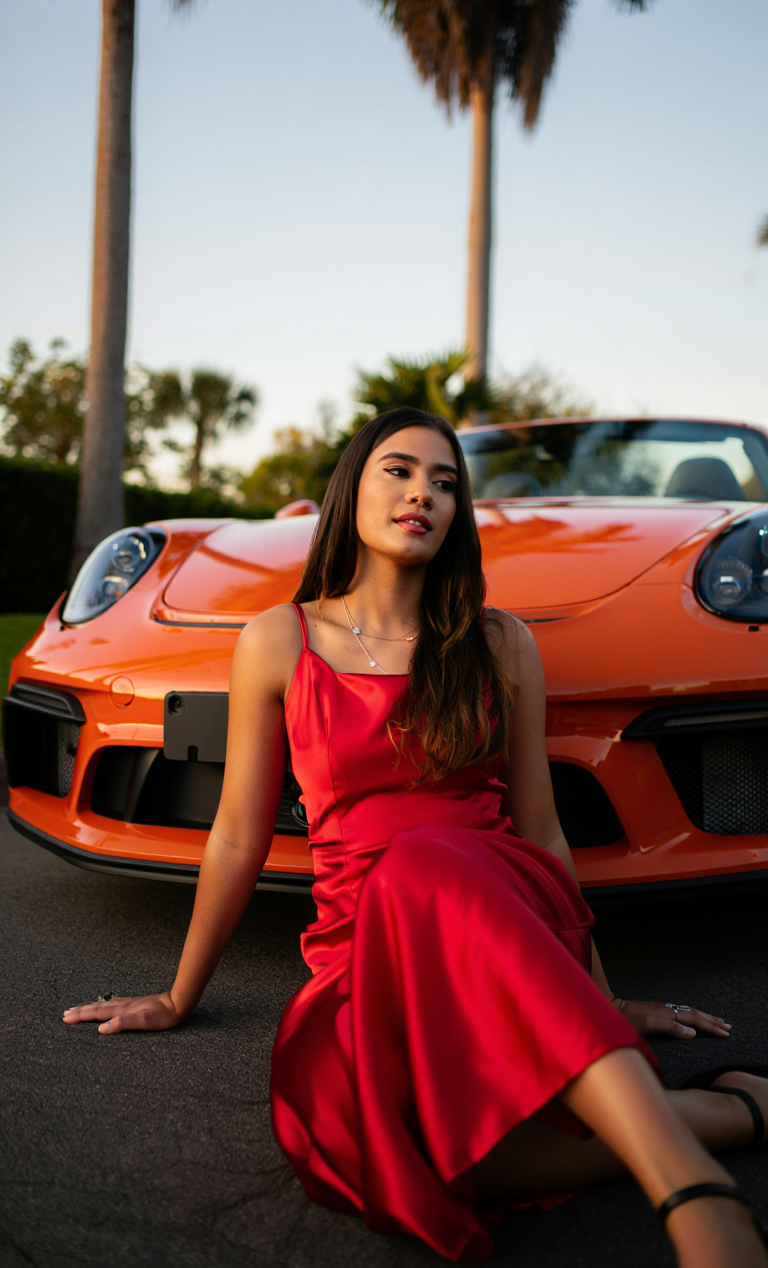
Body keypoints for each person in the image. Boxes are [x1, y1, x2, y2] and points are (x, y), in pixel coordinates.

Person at [64, 409, 767, 1266]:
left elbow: (542, 832)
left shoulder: (500, 642)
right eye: (399, 471)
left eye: (443, 483)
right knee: (379, 1148)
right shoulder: (277, 639)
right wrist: (179, 996)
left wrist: (598, 995)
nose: (423, 494)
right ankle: (740, 1111)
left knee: (424, 855)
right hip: (360, 952)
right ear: (351, 487)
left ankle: (697, 1200)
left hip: (500, 911)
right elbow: (239, 833)